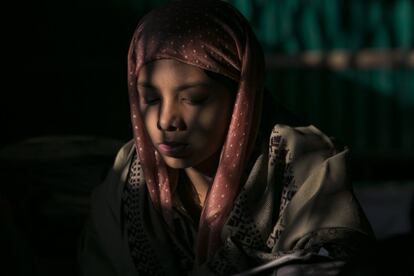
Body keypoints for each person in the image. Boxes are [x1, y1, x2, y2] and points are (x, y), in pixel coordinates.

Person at [78, 0, 374, 275]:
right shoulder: (127, 179)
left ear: (240, 99)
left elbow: (337, 261)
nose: (166, 120)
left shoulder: (304, 161)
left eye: (193, 98)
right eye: (150, 98)